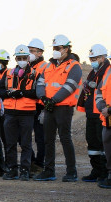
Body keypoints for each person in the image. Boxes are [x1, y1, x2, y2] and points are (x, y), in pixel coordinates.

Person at [35, 34, 82, 182]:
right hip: (49, 107)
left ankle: (71, 172)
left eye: (58, 48)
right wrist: (43, 98)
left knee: (65, 138)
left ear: (66, 49)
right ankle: (49, 171)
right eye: (54, 48)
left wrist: (53, 100)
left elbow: (70, 86)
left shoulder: (74, 66)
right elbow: (40, 83)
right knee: (48, 139)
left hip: (63, 108)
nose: (55, 50)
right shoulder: (49, 65)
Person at [0, 45, 39, 181]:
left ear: (28, 58)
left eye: (23, 58)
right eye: (19, 58)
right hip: (10, 113)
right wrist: (9, 93)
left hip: (27, 113)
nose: (21, 60)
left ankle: (25, 170)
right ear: (15, 58)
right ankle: (12, 169)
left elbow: (37, 92)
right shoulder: (8, 73)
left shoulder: (35, 73)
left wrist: (21, 93)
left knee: (26, 143)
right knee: (10, 143)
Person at [76, 44, 109, 182]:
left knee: (103, 145)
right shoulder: (94, 72)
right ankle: (96, 171)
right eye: (91, 58)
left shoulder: (107, 71)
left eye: (95, 58)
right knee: (93, 144)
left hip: (101, 113)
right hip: (91, 112)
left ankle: (104, 173)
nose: (92, 61)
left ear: (103, 57)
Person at [27, 38, 49, 176]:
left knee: (41, 137)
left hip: (40, 106)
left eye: (32, 51)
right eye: (29, 51)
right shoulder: (28, 67)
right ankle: (33, 161)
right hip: (28, 105)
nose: (30, 54)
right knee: (23, 136)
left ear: (40, 52)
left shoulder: (45, 67)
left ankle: (40, 164)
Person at [95, 55, 111, 188]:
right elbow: (99, 92)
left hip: (109, 113)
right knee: (108, 146)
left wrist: (109, 109)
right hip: (108, 119)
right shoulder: (108, 72)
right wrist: (103, 108)